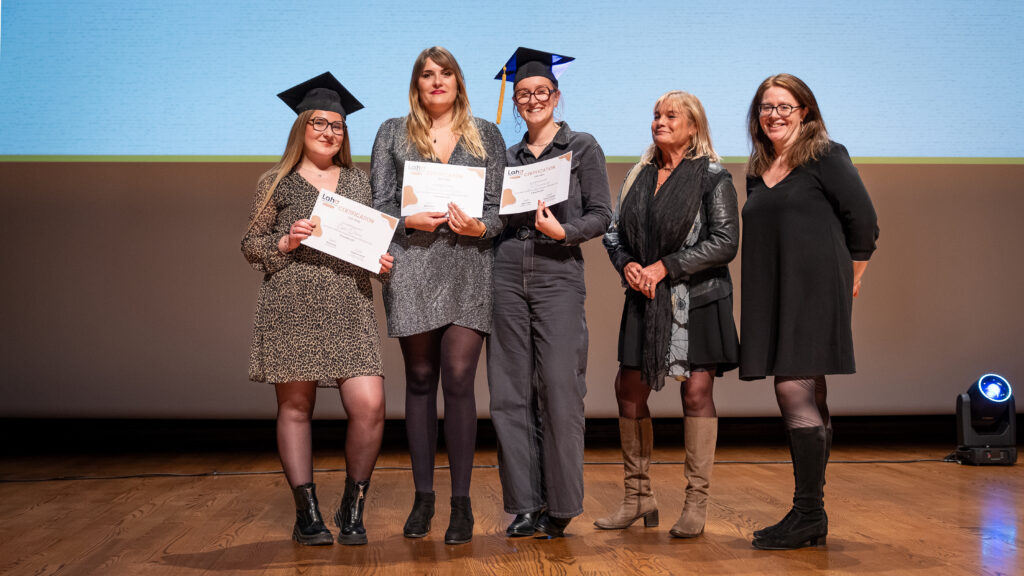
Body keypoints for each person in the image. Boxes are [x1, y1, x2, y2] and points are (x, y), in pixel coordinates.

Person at [241, 72, 393, 546]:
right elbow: (250, 245)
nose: (329, 132)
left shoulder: (360, 182)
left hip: (349, 303)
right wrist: (285, 241)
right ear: (302, 127)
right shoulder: (276, 181)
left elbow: (372, 245)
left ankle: (353, 505)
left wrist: (382, 263)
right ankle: (307, 514)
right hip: (293, 302)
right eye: (320, 123)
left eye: (338, 126)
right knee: (295, 407)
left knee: (370, 405)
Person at [370, 46, 506, 545]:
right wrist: (408, 220)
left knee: (460, 378)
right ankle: (423, 497)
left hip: (470, 266)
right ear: (417, 84)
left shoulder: (486, 134)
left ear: (459, 82)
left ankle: (461, 503)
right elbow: (380, 204)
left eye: (445, 73)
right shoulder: (392, 132)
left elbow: (500, 210)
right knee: (422, 378)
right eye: (427, 74)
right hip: (412, 266)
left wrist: (479, 227)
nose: (437, 81)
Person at [740, 74, 879, 550]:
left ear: (806, 112)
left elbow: (864, 223)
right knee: (811, 394)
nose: (774, 114)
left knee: (792, 387)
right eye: (766, 106)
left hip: (815, 289)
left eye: (785, 106)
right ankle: (811, 514)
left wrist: (851, 277)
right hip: (774, 291)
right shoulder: (758, 168)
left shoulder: (827, 156)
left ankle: (807, 513)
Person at [600, 90, 739, 539]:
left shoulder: (713, 177)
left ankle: (695, 503)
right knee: (628, 391)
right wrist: (628, 264)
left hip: (699, 298)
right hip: (645, 297)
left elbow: (725, 242)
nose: (659, 121)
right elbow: (613, 234)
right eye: (656, 115)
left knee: (696, 393)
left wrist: (667, 266)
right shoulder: (637, 174)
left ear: (694, 126)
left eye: (671, 116)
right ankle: (638, 497)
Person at [487, 48, 612, 539]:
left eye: (542, 92)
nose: (533, 99)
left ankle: (560, 505)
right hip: (506, 268)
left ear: (556, 96)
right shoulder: (507, 157)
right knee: (509, 392)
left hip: (558, 269)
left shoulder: (581, 146)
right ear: (516, 103)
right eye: (524, 94)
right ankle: (524, 504)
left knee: (560, 388)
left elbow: (602, 214)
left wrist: (565, 232)